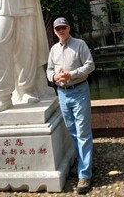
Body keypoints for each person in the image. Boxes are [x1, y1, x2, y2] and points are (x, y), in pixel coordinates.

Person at [46, 17, 95, 195]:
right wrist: (54, 78)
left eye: (63, 27)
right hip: (63, 94)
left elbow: (90, 66)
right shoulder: (53, 49)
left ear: (69, 28)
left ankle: (85, 174)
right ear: (54, 31)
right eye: (58, 28)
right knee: (73, 131)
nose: (61, 31)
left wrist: (71, 74)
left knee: (83, 132)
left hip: (79, 91)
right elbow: (49, 70)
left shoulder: (80, 44)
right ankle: (84, 164)